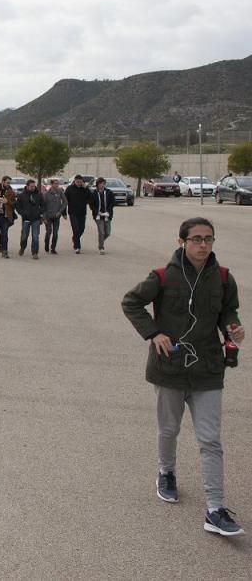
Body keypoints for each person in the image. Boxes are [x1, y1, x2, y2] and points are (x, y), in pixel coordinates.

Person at [121, 217, 246, 537]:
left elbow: (228, 310)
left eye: (209, 239)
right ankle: (166, 472)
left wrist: (232, 327)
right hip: (170, 369)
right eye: (196, 239)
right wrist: (154, 333)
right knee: (169, 429)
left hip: (207, 370)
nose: (203, 245)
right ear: (182, 242)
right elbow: (131, 302)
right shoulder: (162, 277)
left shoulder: (222, 278)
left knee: (210, 439)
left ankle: (215, 508)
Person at [15, 179, 46, 259]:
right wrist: (22, 213)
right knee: (24, 236)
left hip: (36, 219)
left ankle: (35, 252)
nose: (33, 187)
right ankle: (22, 247)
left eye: (34, 186)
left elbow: (43, 205)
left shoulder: (39, 195)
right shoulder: (22, 195)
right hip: (26, 219)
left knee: (35, 236)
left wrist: (39, 212)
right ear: (27, 186)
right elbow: (18, 206)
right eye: (31, 186)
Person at [64, 174, 91, 254]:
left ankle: (75, 238)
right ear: (74, 181)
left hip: (82, 213)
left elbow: (91, 198)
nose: (79, 183)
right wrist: (64, 213)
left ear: (83, 182)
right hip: (73, 213)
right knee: (75, 229)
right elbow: (65, 202)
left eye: (80, 182)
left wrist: (87, 188)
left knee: (81, 229)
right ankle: (77, 247)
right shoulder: (69, 189)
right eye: (77, 182)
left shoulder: (85, 189)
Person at [90, 177, 116, 255]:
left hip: (107, 215)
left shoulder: (109, 192)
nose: (102, 185)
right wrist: (97, 212)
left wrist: (108, 211)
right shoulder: (94, 193)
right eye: (100, 184)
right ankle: (101, 247)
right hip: (98, 216)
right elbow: (91, 205)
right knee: (101, 232)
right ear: (97, 184)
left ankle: (100, 242)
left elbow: (112, 202)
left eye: (103, 184)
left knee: (107, 232)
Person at [43, 178, 68, 255]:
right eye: (55, 183)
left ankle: (53, 248)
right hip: (48, 216)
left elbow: (65, 202)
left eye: (58, 183)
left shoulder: (60, 192)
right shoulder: (46, 194)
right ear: (51, 184)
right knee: (49, 231)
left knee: (55, 233)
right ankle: (46, 244)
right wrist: (44, 218)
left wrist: (60, 212)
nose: (57, 185)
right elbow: (43, 206)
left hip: (57, 216)